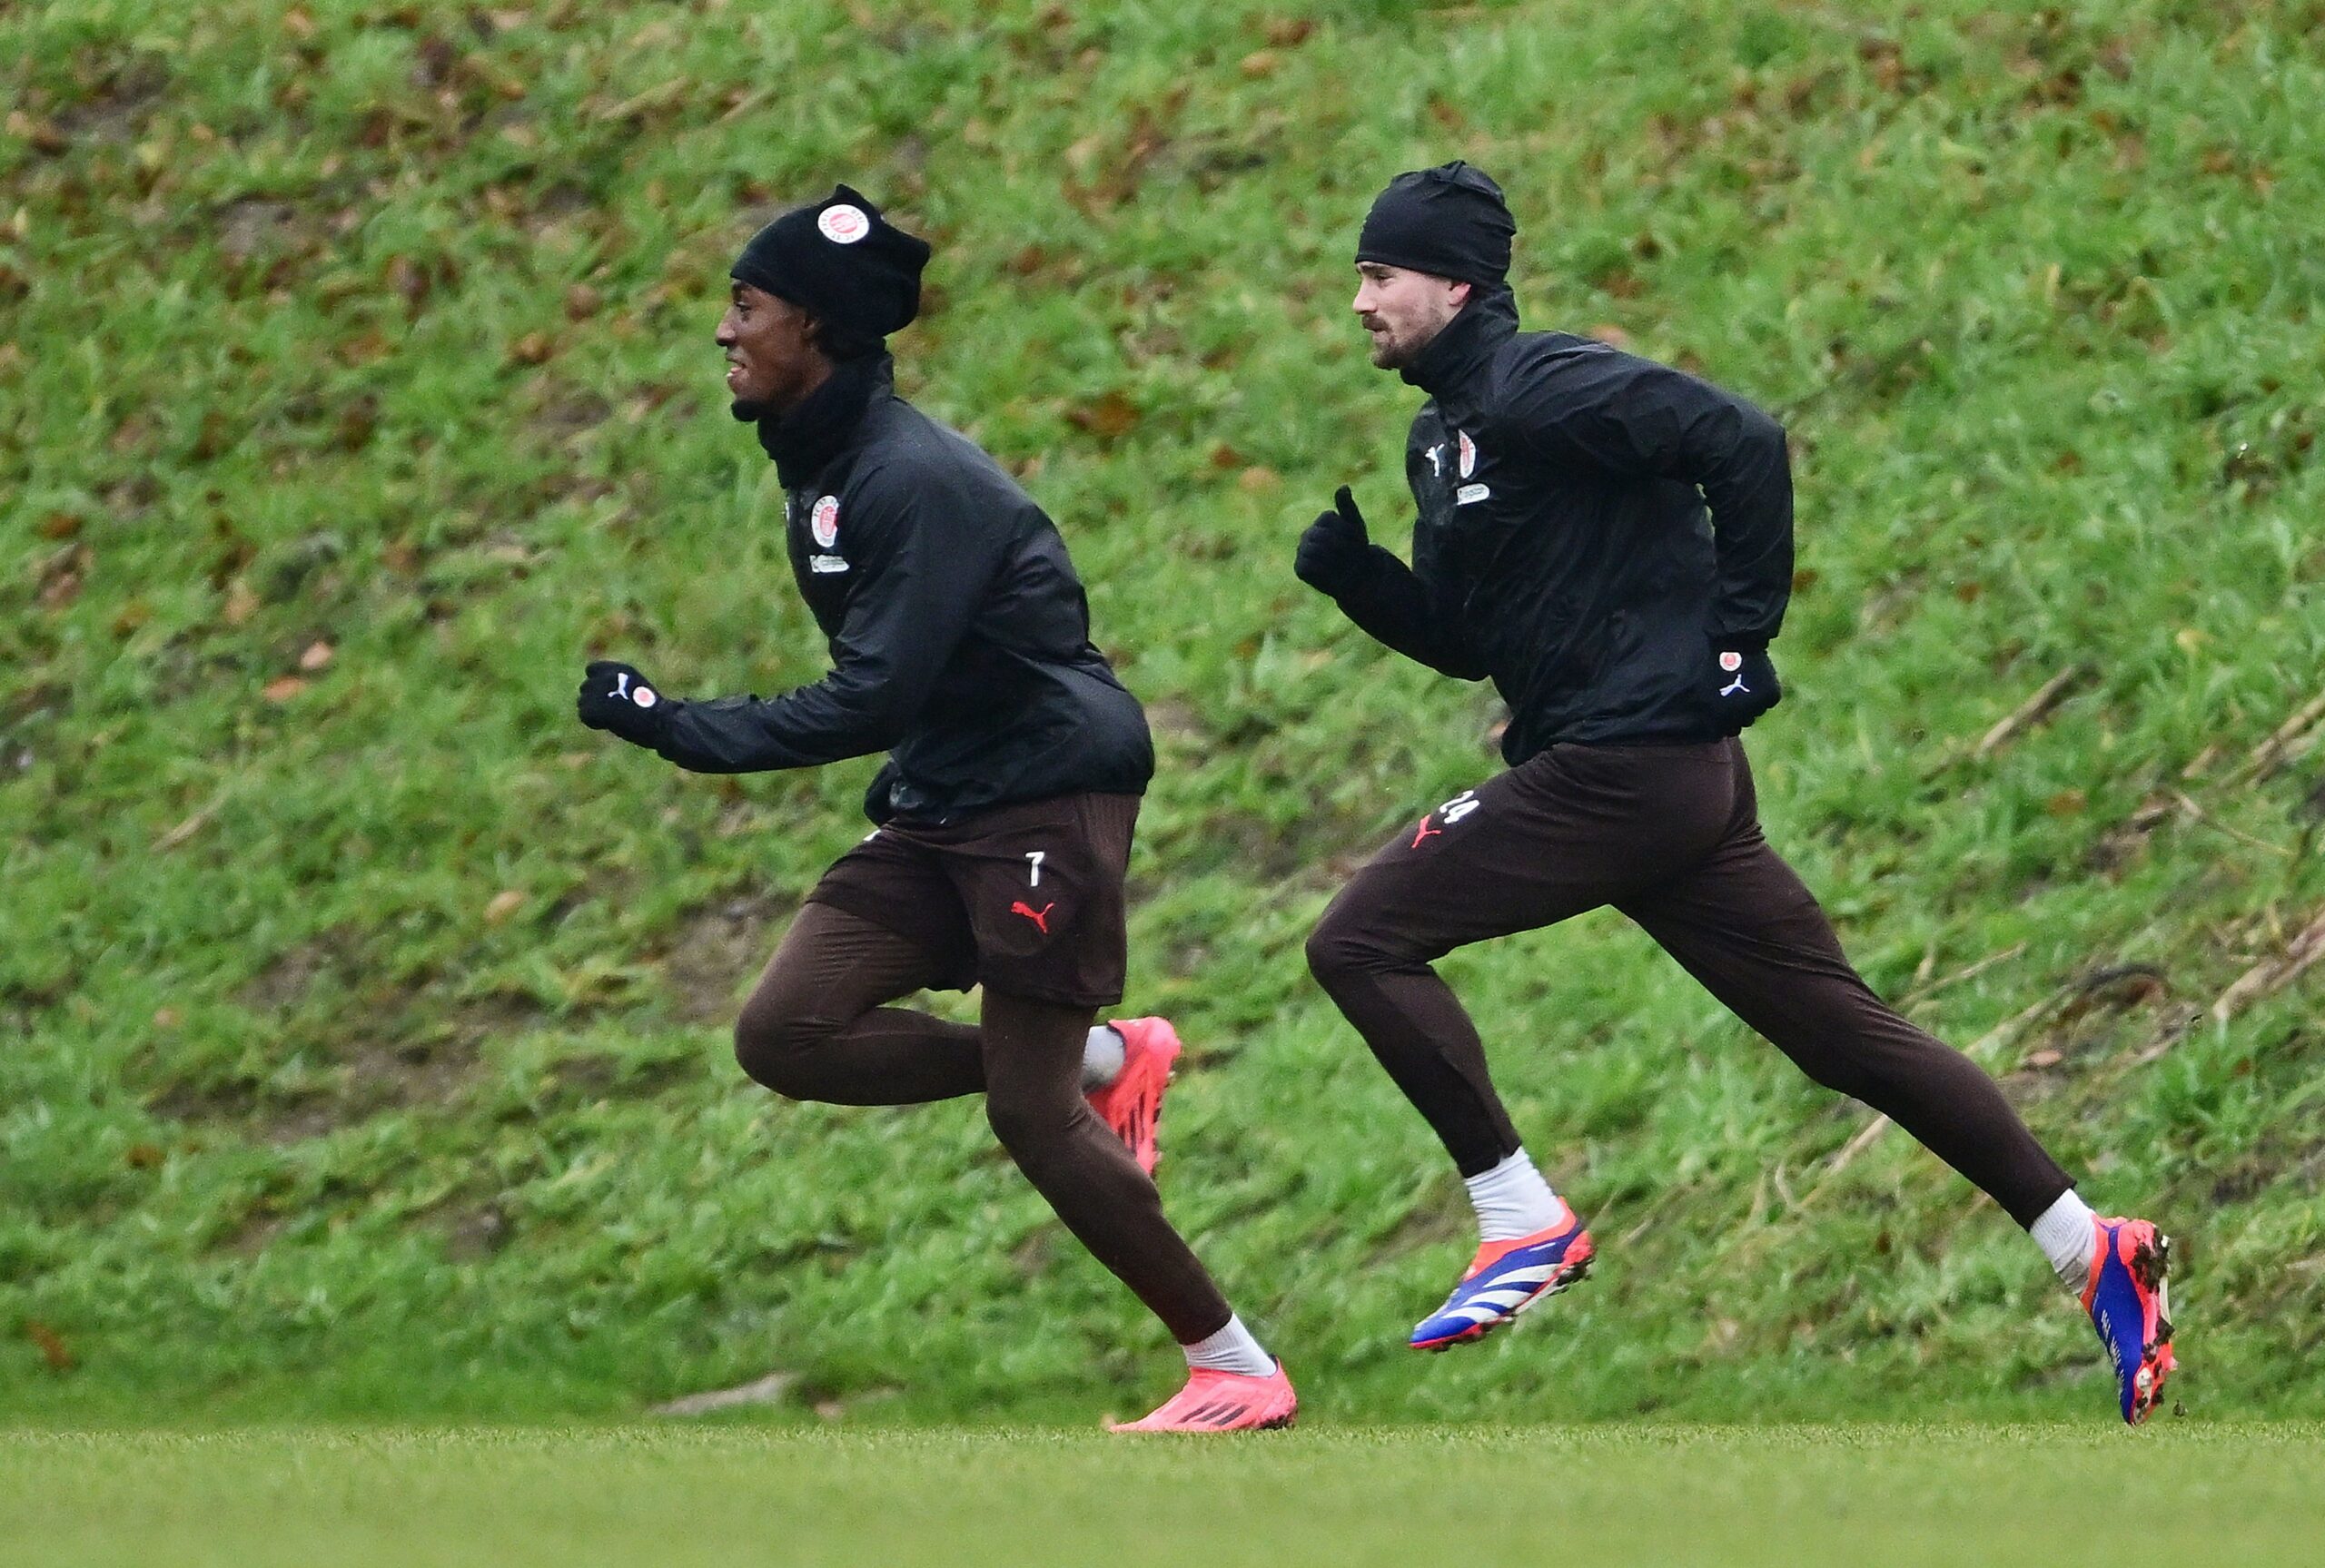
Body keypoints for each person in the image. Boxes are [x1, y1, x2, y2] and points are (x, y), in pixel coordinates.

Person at [1293, 161, 2174, 1424]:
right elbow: (1471, 640)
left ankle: (1520, 1219)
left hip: (1631, 763)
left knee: (1360, 940)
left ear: (1456, 281)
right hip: (1655, 784)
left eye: (1381, 276)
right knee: (1840, 1035)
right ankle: (2096, 1249)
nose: (1361, 303)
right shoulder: (1442, 437)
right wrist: (1363, 583)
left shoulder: (1545, 382)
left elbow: (1741, 439)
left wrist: (1740, 633)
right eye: (1359, 280)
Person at [577, 185, 1294, 1433]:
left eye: (746, 306)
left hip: (1044, 796)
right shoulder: (831, 469)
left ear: (820, 325)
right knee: (784, 1034)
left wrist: (676, 726)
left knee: (1031, 1115)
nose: (724, 331)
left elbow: (874, 691)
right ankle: (1109, 1058)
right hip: (946, 799)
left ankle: (1234, 1365)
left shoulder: (911, 477)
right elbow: (917, 686)